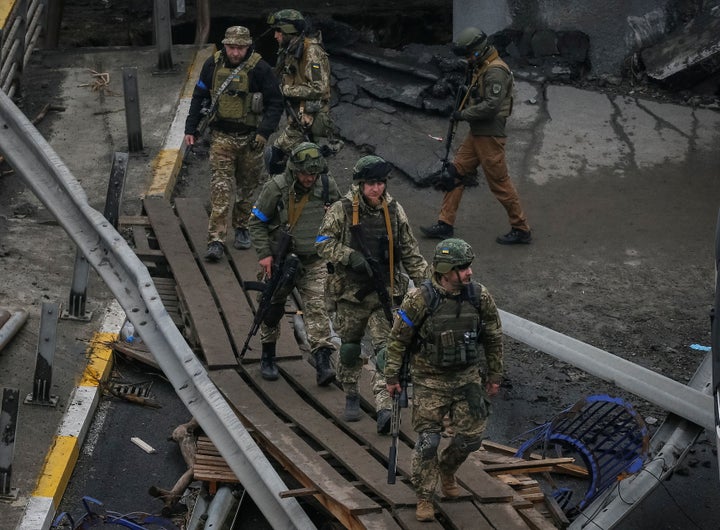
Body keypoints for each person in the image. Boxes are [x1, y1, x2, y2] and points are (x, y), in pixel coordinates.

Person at [384, 238, 504, 521]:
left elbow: (493, 336)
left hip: (467, 378)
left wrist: (495, 374)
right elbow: (398, 339)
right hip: (429, 380)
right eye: (462, 268)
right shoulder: (419, 300)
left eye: (469, 267)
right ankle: (424, 496)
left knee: (471, 438)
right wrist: (391, 375)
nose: (469, 273)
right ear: (445, 270)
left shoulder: (479, 296)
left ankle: (447, 469)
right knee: (428, 440)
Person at [316, 155, 430, 433]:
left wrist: (427, 284)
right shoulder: (342, 210)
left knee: (385, 350)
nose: (376, 189)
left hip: (385, 293)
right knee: (350, 348)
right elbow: (321, 242)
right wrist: (349, 256)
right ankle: (352, 393)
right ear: (360, 184)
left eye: (380, 183)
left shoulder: (393, 211)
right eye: (370, 184)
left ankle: (384, 407)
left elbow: (410, 251)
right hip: (350, 295)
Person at [420, 27, 532, 245]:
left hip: (489, 135)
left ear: (479, 51)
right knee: (454, 173)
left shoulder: (495, 71)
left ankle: (521, 228)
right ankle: (445, 223)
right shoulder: (482, 66)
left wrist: (463, 114)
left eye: (469, 54)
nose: (468, 58)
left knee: (500, 183)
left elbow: (491, 106)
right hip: (477, 133)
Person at [184, 26, 284, 262]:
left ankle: (242, 227)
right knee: (220, 187)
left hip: (251, 139)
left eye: (240, 48)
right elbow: (199, 96)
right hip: (222, 137)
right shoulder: (212, 65)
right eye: (231, 47)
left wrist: (263, 133)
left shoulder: (260, 69)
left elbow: (275, 103)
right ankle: (216, 240)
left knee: (247, 187)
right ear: (225, 45)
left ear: (248, 47)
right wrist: (191, 129)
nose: (235, 53)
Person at [248, 142, 340, 384]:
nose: (310, 178)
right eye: (305, 174)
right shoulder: (276, 188)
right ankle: (268, 355)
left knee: (318, 308)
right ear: (294, 169)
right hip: (282, 261)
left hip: (315, 261)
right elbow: (256, 222)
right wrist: (264, 254)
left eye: (314, 174)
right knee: (271, 307)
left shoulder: (328, 186)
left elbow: (339, 219)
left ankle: (322, 363)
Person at [264, 9, 343, 174]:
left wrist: (286, 90)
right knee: (301, 162)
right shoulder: (290, 49)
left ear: (288, 31)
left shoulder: (311, 52)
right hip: (297, 115)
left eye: (278, 31)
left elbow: (319, 88)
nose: (275, 36)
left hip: (310, 117)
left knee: (278, 155)